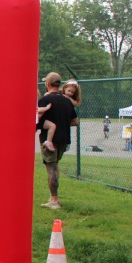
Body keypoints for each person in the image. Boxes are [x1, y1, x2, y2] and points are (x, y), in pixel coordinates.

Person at [37, 72, 78, 210]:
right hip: (64, 139)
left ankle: (54, 201)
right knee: (55, 166)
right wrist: (62, 124)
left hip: (49, 141)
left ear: (48, 84)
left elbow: (37, 118)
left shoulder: (45, 100)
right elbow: (75, 121)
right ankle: (52, 197)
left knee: (51, 168)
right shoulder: (66, 101)